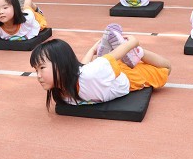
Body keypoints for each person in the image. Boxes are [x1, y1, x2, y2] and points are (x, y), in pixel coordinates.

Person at [29, 25, 170, 109]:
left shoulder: (89, 75)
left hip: (125, 78)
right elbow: (82, 67)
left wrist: (134, 42)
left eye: (42, 68)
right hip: (102, 74)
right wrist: (92, 50)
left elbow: (113, 56)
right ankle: (108, 53)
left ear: (62, 66)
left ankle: (137, 53)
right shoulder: (61, 91)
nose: (38, 76)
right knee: (100, 65)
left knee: (167, 69)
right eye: (36, 70)